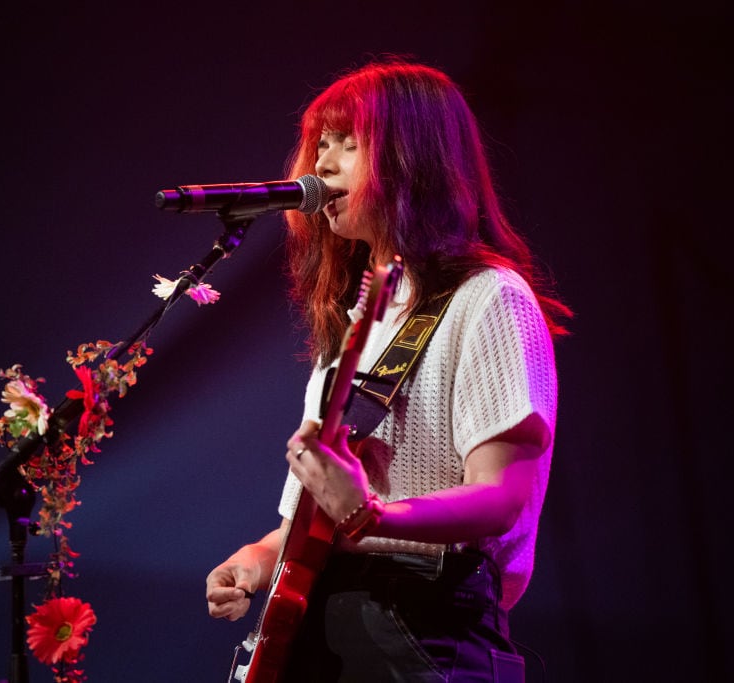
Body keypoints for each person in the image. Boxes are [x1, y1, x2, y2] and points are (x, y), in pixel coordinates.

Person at [205, 57, 571, 682]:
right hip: (335, 629)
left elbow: (501, 497)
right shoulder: (358, 323)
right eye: (320, 144)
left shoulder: (490, 297)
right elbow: (318, 522)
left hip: (426, 629)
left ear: (414, 161)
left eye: (349, 144)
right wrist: (260, 558)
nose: (320, 165)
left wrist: (373, 516)